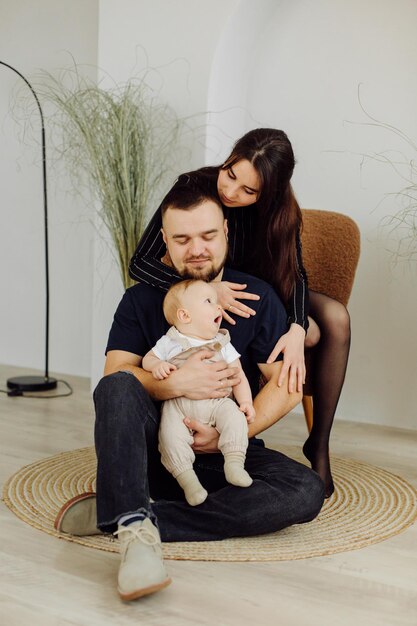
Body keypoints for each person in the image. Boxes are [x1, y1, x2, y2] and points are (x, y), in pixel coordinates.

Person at [55, 175, 324, 602]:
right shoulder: (140, 300)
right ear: (164, 239)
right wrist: (174, 383)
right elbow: (115, 379)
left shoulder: (254, 296)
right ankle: (137, 538)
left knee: (305, 492)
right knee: (118, 387)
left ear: (226, 232)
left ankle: (135, 517)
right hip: (155, 449)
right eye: (182, 239)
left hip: (226, 450)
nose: (196, 248)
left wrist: (231, 435)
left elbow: (286, 387)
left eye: (207, 235)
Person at [129, 128, 351, 498]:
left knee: (329, 324)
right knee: (311, 331)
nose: (230, 192)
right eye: (231, 174)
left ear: (270, 192)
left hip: (263, 291)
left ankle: (320, 443)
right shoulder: (194, 185)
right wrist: (206, 290)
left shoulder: (283, 211)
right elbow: (141, 261)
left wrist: (296, 328)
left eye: (248, 191)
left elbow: (295, 274)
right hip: (218, 283)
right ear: (229, 158)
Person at [143, 279, 255, 506]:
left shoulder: (221, 342)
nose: (218, 307)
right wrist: (157, 366)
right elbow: (148, 358)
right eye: (209, 301)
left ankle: (234, 463)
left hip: (217, 402)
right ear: (185, 316)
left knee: (235, 418)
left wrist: (245, 402)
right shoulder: (170, 341)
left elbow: (237, 374)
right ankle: (189, 483)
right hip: (178, 407)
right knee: (169, 437)